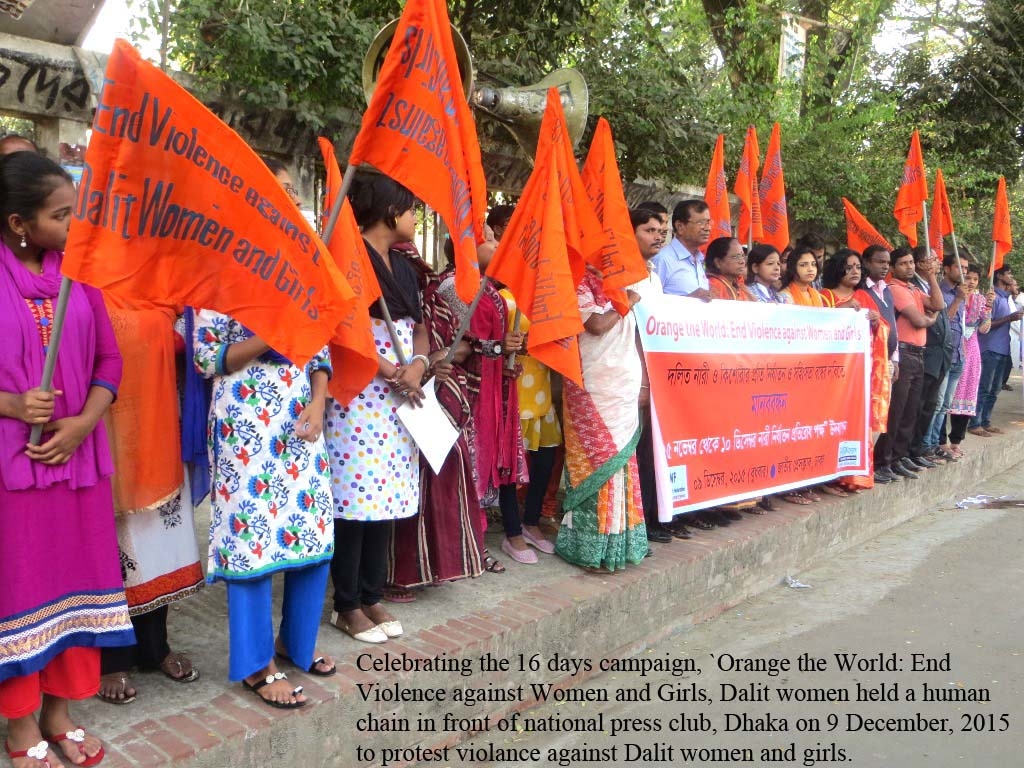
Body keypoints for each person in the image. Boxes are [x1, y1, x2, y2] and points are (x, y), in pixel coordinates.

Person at [0, 152, 133, 767]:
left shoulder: (80, 278)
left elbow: (110, 362)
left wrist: (83, 422)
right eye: (62, 215)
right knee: (20, 590)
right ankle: (21, 728)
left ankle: (61, 713)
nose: (75, 224)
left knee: (79, 589)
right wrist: (11, 403)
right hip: (13, 472)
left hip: (77, 466)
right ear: (18, 222)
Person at [194, 160, 335, 709]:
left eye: (290, 193)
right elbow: (211, 357)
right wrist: (269, 334)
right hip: (244, 423)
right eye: (273, 194)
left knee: (312, 529)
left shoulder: (298, 265)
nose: (285, 203)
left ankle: (295, 644)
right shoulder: (217, 269)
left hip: (302, 417)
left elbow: (318, 347)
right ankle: (256, 664)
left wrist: (320, 401)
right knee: (252, 537)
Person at [325, 173, 426, 642]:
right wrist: (392, 371)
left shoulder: (404, 265)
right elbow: (344, 334)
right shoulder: (350, 258)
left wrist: (419, 364)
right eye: (409, 209)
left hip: (402, 393)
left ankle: (371, 593)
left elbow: (420, 326)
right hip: (362, 391)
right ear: (390, 213)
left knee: (386, 496)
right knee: (356, 498)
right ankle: (345, 603)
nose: (413, 217)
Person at [97, 298, 204, 704]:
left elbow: (191, 329)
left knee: (157, 539)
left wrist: (167, 329)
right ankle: (111, 659)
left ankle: (154, 647)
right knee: (115, 545)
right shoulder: (84, 270)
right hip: (104, 423)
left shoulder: (158, 266)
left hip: (160, 420)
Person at [436, 237, 530, 565]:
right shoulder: (453, 287)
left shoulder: (487, 287)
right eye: (487, 238)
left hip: (491, 387)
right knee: (467, 466)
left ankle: (475, 541)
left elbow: (491, 343)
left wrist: (508, 354)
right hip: (464, 389)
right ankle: (467, 546)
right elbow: (463, 345)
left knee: (482, 463)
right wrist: (498, 348)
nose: (495, 243)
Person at [556, 268, 647, 572]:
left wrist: (643, 381)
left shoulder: (623, 282)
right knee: (595, 463)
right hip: (591, 386)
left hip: (621, 387)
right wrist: (628, 300)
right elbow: (595, 325)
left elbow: (634, 335)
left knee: (622, 464)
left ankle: (619, 543)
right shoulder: (579, 282)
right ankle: (588, 545)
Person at [820, 249, 889, 491]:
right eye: (848, 267)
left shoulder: (864, 296)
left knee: (865, 423)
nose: (854, 272)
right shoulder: (825, 297)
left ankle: (853, 475)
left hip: (864, 375)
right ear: (837, 269)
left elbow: (882, 329)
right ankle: (830, 474)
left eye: (858, 267)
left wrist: (875, 322)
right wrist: (845, 310)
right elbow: (820, 325)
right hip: (835, 376)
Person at [874, 246, 942, 481]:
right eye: (903, 263)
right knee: (896, 410)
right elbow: (919, 319)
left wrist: (932, 275)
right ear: (892, 268)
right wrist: (931, 318)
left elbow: (938, 303)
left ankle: (899, 457)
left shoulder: (912, 288)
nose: (910, 267)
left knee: (910, 411)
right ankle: (883, 460)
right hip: (903, 353)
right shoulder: (895, 289)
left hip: (918, 353)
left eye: (912, 262)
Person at [922, 253, 970, 462]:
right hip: (942, 356)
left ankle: (935, 444)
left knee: (944, 405)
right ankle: (926, 446)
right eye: (960, 267)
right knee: (936, 402)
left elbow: (962, 326)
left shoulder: (962, 292)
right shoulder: (940, 292)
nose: (964, 272)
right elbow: (943, 321)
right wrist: (958, 299)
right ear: (948, 269)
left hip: (958, 354)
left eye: (966, 268)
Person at [969, 266, 1021, 435]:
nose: (1012, 277)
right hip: (990, 348)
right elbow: (985, 326)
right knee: (984, 387)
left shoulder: (1007, 299)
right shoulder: (993, 298)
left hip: (1003, 350)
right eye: (1009, 274)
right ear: (999, 276)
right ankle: (975, 423)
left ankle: (985, 421)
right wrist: (1009, 318)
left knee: (994, 389)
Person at [947, 264, 992, 455]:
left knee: (966, 394)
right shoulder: (951, 296)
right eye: (968, 278)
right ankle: (938, 441)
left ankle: (956, 440)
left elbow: (984, 329)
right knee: (945, 396)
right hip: (952, 347)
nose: (971, 282)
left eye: (975, 279)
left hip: (971, 350)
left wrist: (988, 311)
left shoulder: (981, 300)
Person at [651, 200, 714, 301]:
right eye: (700, 223)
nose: (707, 228)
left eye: (708, 222)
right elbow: (649, 304)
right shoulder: (662, 259)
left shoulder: (700, 259)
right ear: (680, 226)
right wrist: (688, 300)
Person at [705, 236, 755, 302]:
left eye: (742, 256)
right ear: (718, 262)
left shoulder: (738, 284)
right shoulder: (714, 285)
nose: (742, 261)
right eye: (735, 257)